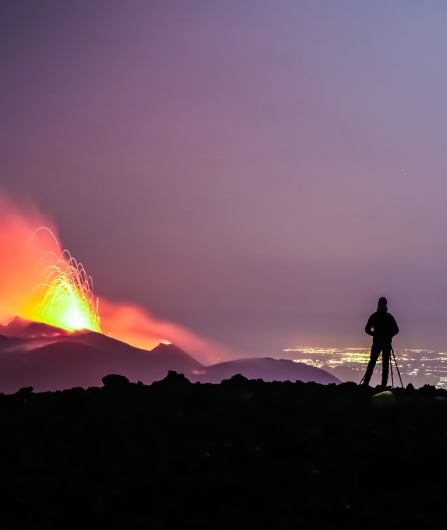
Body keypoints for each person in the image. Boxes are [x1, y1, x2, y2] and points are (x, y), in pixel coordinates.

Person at [362, 297, 399, 387]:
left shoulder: (374, 316)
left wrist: (374, 334)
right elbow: (396, 330)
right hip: (386, 343)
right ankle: (383, 385)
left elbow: (367, 329)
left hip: (377, 343)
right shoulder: (389, 317)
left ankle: (365, 383)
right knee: (385, 364)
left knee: (372, 362)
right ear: (386, 305)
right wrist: (389, 335)